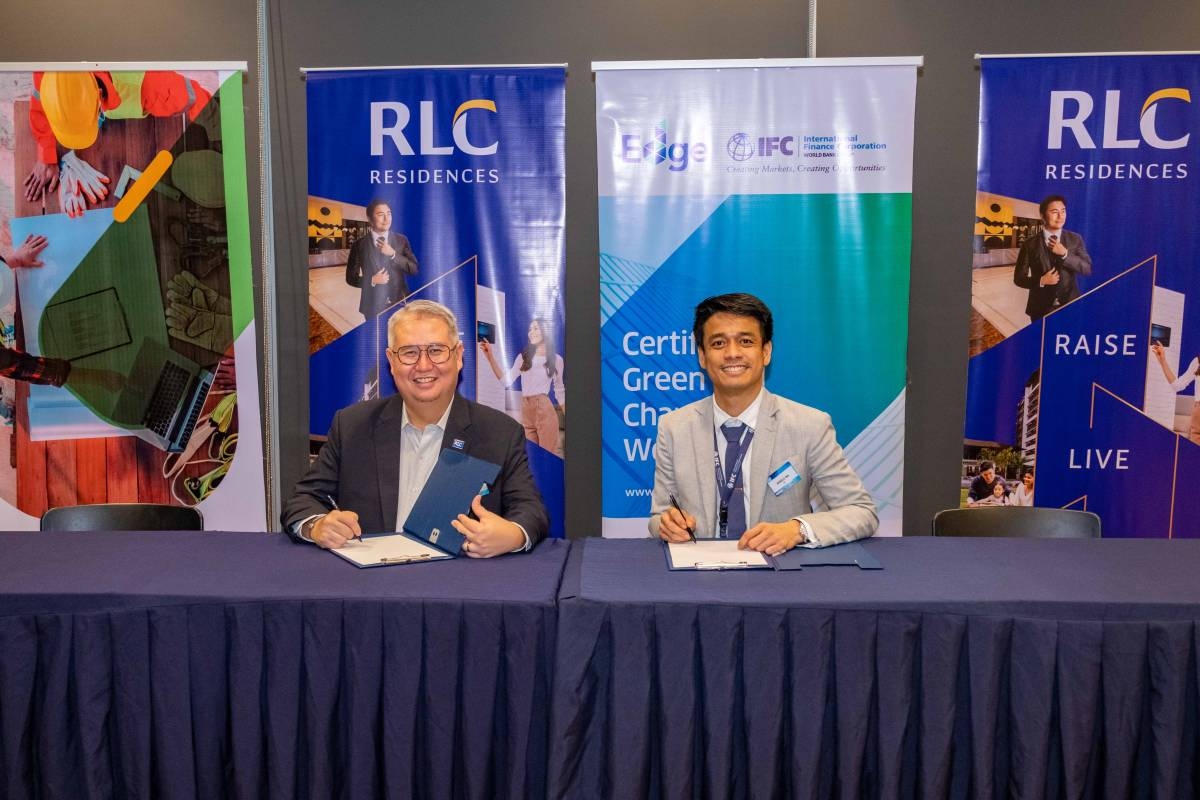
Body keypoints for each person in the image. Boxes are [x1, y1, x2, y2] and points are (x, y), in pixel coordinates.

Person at [282, 300, 548, 556]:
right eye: (409, 352)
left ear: (458, 356)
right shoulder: (352, 425)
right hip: (368, 588)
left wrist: (511, 535)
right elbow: (303, 499)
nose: (423, 365)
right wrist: (317, 526)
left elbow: (530, 510)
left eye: (436, 350)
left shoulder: (498, 432)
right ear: (391, 360)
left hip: (457, 586)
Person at [649, 293, 877, 554]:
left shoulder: (810, 425)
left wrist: (796, 529)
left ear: (765, 352)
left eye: (745, 341)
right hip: (698, 575)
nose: (732, 354)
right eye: (718, 343)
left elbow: (862, 512)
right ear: (702, 356)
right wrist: (667, 525)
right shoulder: (674, 427)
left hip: (780, 579)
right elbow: (659, 516)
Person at [24, 70, 213, 207]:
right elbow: (40, 106)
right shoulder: (50, 76)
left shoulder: (152, 86)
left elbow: (199, 100)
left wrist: (225, 142)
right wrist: (46, 154)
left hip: (138, 88)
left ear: (99, 96)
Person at [479, 318, 565, 453]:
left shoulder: (557, 360)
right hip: (526, 409)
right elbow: (506, 381)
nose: (531, 332)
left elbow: (560, 390)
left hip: (544, 409)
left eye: (535, 328)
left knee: (547, 457)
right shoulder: (523, 357)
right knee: (530, 456)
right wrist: (490, 357)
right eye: (530, 329)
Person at [1013, 194, 1092, 321]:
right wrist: (1041, 281)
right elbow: (1018, 278)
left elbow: (1088, 268)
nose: (1060, 216)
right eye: (1055, 212)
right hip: (1039, 308)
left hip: (1070, 305)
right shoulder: (1029, 244)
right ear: (1042, 215)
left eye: (1063, 211)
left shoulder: (1075, 239)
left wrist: (1065, 254)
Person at [345, 199, 418, 319]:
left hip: (400, 302)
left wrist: (393, 254)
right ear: (370, 219)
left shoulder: (402, 240)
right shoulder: (359, 245)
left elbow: (414, 269)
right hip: (371, 306)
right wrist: (371, 280)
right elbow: (350, 278)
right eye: (381, 215)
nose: (387, 219)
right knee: (376, 336)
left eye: (389, 214)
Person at [1151, 341, 1200, 445]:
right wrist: (1162, 361)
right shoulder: (1198, 362)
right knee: (1195, 457)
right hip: (1198, 413)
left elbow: (1177, 386)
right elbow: (1177, 386)